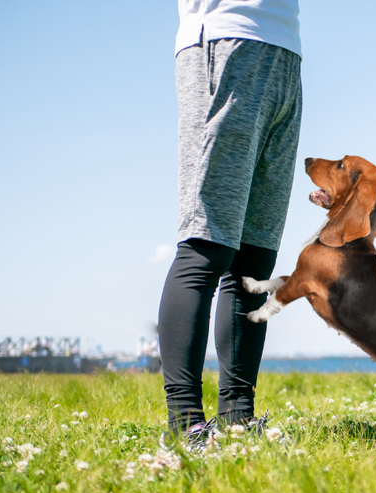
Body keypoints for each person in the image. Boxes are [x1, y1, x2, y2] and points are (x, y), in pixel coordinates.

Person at [158, 0, 302, 446]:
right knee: (209, 241)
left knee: (254, 259)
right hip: (224, 41)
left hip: (284, 51)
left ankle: (237, 419)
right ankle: (184, 424)